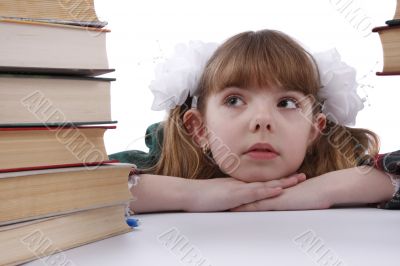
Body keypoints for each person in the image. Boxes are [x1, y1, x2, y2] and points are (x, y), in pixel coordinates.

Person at [111, 29, 400, 213]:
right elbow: (77, 187)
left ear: (314, 130)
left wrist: (324, 191)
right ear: (198, 128)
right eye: (234, 100)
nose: (262, 121)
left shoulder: (339, 169)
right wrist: (189, 195)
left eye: (286, 103)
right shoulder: (161, 163)